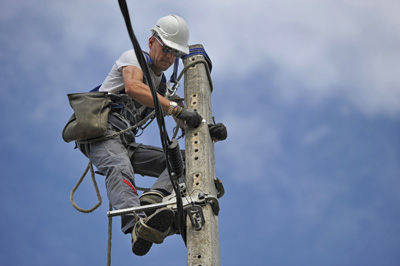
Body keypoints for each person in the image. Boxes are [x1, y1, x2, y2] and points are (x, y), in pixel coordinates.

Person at [78, 14, 227, 256]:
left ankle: (160, 205)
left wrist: (208, 132)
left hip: (125, 141)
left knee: (186, 160)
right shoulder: (135, 58)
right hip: (102, 132)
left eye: (174, 53)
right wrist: (175, 108)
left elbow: (183, 116)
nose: (169, 57)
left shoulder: (161, 86)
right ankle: (136, 225)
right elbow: (133, 87)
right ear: (151, 42)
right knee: (118, 166)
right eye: (166, 49)